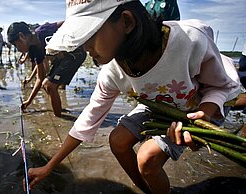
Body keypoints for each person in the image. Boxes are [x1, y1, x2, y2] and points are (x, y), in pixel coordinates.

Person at [25, 0, 241, 193]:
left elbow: (219, 87)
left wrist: (206, 115)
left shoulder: (189, 40)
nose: (85, 47)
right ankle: (147, 188)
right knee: (117, 140)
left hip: (197, 104)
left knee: (147, 159)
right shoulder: (112, 72)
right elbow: (88, 119)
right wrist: (49, 166)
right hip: (158, 104)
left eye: (90, 35)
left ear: (127, 22)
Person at [7, 21, 87, 117]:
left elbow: (69, 22)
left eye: (16, 45)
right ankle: (59, 113)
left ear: (22, 36)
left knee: (50, 85)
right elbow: (40, 78)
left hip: (75, 53)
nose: (18, 49)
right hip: (61, 58)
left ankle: (60, 117)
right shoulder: (34, 50)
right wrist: (29, 101)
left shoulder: (43, 31)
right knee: (46, 85)